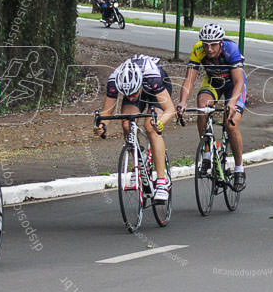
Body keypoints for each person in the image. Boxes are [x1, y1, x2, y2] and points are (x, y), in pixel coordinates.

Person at [94, 56, 176, 201]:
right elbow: (107, 112)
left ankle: (162, 182)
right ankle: (139, 159)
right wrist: (102, 126)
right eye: (127, 95)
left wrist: (160, 123)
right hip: (133, 84)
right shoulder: (114, 80)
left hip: (156, 90)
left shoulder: (153, 77)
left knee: (151, 127)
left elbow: (170, 109)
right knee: (126, 123)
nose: (130, 98)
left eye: (133, 94)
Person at [177, 23, 247, 191]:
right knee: (202, 106)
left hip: (234, 86)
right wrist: (182, 102)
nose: (209, 49)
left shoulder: (231, 49)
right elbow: (189, 80)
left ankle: (239, 168)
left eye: (213, 45)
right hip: (213, 82)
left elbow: (239, 82)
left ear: (221, 43)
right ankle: (207, 153)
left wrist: (231, 103)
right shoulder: (198, 49)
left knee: (231, 123)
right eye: (206, 44)